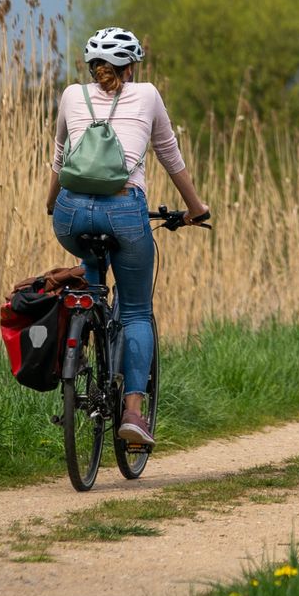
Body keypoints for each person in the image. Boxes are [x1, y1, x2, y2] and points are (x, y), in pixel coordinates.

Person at [48, 27, 210, 449]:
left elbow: (60, 158)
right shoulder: (148, 94)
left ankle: (77, 357)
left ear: (91, 67)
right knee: (136, 311)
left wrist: (53, 204)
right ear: (132, 66)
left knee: (91, 284)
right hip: (123, 210)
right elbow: (169, 153)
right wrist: (196, 208)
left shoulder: (70, 95)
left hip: (70, 215)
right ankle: (133, 413)